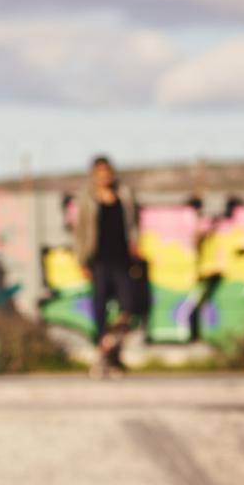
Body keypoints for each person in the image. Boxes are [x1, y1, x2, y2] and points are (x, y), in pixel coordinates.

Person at [71, 155, 141, 378]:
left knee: (128, 308)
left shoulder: (125, 195)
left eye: (107, 172)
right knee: (99, 311)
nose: (105, 176)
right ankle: (107, 360)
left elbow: (134, 225)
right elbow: (80, 231)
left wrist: (136, 250)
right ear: (94, 175)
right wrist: (81, 260)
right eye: (100, 173)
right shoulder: (87, 199)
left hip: (122, 260)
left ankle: (109, 350)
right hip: (98, 261)